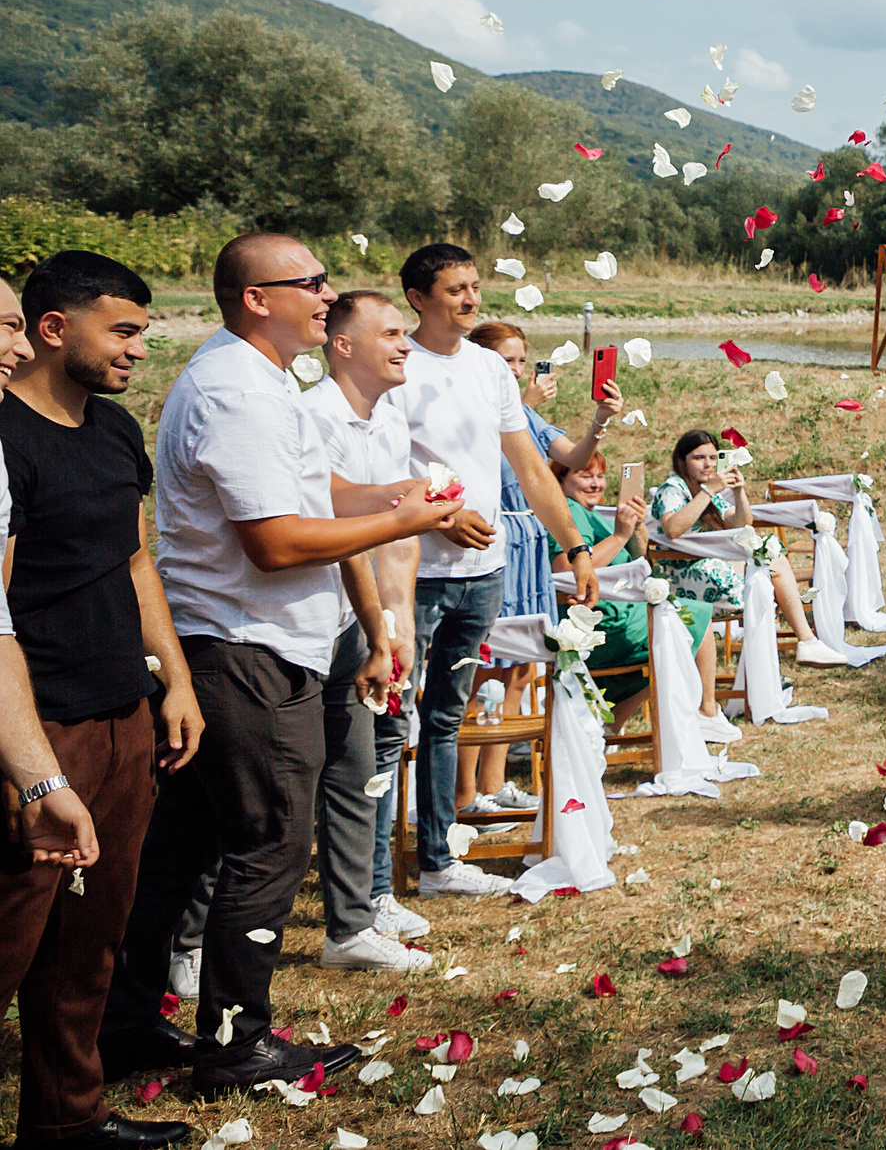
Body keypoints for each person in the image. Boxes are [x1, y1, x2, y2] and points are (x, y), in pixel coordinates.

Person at [101, 234, 457, 1095]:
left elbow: (308, 491)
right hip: (244, 648)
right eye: (313, 282)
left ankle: (126, 1022)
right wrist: (402, 526)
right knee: (268, 843)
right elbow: (276, 542)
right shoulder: (232, 391)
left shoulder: (265, 379)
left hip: (247, 643)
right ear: (257, 297)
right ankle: (236, 1044)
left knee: (184, 846)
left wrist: (394, 497)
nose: (328, 294)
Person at [0, 260, 190, 1150]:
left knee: (91, 940)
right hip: (41, 725)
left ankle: (64, 1120)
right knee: (10, 935)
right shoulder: (5, 441)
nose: (138, 350)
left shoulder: (114, 431)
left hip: (124, 715)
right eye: (122, 331)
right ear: (52, 328)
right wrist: (27, 761)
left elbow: (135, 562)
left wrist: (175, 679)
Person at [392, 246, 598, 897]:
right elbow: (383, 467)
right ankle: (373, 874)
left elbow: (533, 467)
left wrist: (575, 544)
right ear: (418, 298)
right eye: (455, 289)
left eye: (475, 286)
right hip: (416, 568)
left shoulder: (489, 369)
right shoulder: (399, 365)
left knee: (449, 714)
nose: (471, 299)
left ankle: (437, 861)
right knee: (397, 717)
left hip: (486, 569)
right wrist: (437, 515)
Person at [306, 292, 430, 970]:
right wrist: (376, 625)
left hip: (365, 621)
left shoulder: (390, 415)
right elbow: (342, 533)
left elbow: (400, 530)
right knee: (297, 785)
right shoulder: (315, 416)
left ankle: (360, 911)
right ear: (343, 345)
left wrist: (397, 619)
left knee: (366, 766)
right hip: (312, 619)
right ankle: (192, 940)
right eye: (391, 332)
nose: (405, 344)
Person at [457, 319, 620, 817]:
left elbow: (572, 457)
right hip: (495, 538)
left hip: (530, 540)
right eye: (508, 361)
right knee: (482, 668)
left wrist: (600, 418)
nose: (518, 370)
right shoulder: (473, 409)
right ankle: (463, 797)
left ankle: (495, 782)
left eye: (522, 361)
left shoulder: (525, 416)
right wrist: (525, 403)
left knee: (520, 670)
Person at [647, 429, 846, 679]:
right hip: (682, 576)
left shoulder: (706, 490)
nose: (708, 464)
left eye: (712, 457)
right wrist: (708, 491)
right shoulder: (673, 488)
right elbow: (673, 528)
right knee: (765, 574)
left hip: (708, 568)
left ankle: (800, 646)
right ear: (682, 461)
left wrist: (739, 492)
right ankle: (795, 650)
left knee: (771, 563)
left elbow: (742, 524)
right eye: (699, 458)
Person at [547, 453, 719, 734]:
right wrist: (619, 537)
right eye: (585, 476)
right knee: (690, 621)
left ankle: (613, 722)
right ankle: (706, 712)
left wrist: (636, 527)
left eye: (600, 477)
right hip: (600, 623)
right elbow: (567, 569)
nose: (595, 484)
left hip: (620, 613)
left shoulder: (588, 513)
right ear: (560, 480)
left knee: (680, 628)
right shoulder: (568, 510)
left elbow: (640, 560)